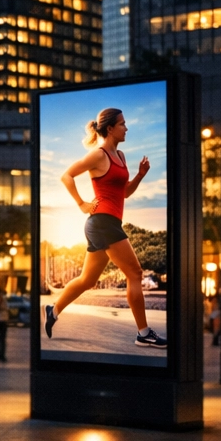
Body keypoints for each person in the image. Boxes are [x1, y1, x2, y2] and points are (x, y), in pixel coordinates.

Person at [42, 107, 164, 349]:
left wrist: (139, 176)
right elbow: (67, 176)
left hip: (106, 223)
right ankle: (144, 333)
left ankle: (53, 310)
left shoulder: (121, 156)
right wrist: (81, 203)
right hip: (102, 222)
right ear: (110, 128)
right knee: (135, 274)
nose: (126, 128)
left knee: (87, 279)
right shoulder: (98, 156)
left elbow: (124, 192)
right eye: (122, 124)